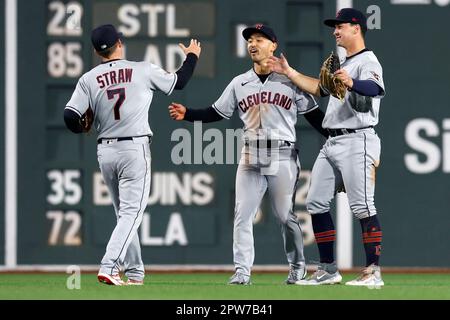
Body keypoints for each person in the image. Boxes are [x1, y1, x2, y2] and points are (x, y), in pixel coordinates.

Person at [168, 24, 328, 285]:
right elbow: (216, 112)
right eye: (250, 40)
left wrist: (341, 139)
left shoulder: (291, 81)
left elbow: (316, 119)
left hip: (282, 153)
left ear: (273, 45)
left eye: (260, 39)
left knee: (284, 215)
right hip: (250, 156)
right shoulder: (239, 82)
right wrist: (189, 114)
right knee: (242, 216)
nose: (253, 44)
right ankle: (242, 271)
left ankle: (297, 265)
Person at [63, 24, 201, 286]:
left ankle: (135, 272)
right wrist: (192, 55)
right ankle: (109, 265)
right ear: (120, 42)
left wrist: (82, 128)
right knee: (131, 214)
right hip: (133, 149)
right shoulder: (142, 69)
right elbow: (179, 82)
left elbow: (70, 116)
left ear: (96, 51)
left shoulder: (88, 79)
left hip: (106, 151)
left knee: (124, 214)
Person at [268, 8, 385, 286]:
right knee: (316, 202)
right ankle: (328, 270)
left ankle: (373, 272)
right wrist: (289, 72)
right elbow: (319, 88)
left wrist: (353, 82)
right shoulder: (344, 60)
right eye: (335, 27)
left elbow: (375, 89)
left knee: (363, 206)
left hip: (359, 139)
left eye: (340, 26)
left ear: (356, 28)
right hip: (332, 141)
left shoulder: (368, 60)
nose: (335, 31)